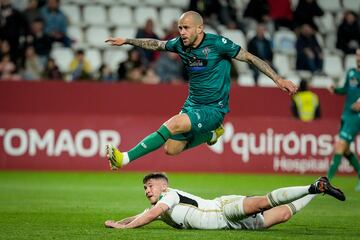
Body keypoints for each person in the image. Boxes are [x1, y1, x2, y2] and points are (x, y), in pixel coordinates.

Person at [105, 11, 297, 170]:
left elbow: (250, 58)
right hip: (192, 104)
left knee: (171, 125)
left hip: (214, 109)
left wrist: (278, 79)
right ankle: (211, 135)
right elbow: (157, 44)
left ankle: (125, 158)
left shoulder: (217, 44)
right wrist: (127, 41)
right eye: (180, 28)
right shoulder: (180, 44)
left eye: (186, 28)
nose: (182, 32)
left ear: (200, 28)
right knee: (171, 149)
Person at [104, 172, 345, 230]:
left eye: (150, 185)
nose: (147, 190)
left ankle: (311, 186)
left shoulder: (169, 196)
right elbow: (142, 214)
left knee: (262, 202)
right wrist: (119, 222)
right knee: (282, 215)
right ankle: (316, 189)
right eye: (145, 187)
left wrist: (126, 227)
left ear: (163, 185)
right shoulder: (159, 203)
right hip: (230, 224)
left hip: (224, 211)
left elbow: (149, 216)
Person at [327, 49, 360, 191]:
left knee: (340, 145)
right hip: (346, 114)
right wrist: (336, 90)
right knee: (345, 150)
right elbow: (346, 89)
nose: (358, 57)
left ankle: (326, 181)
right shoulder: (351, 72)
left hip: (356, 117)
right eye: (357, 55)